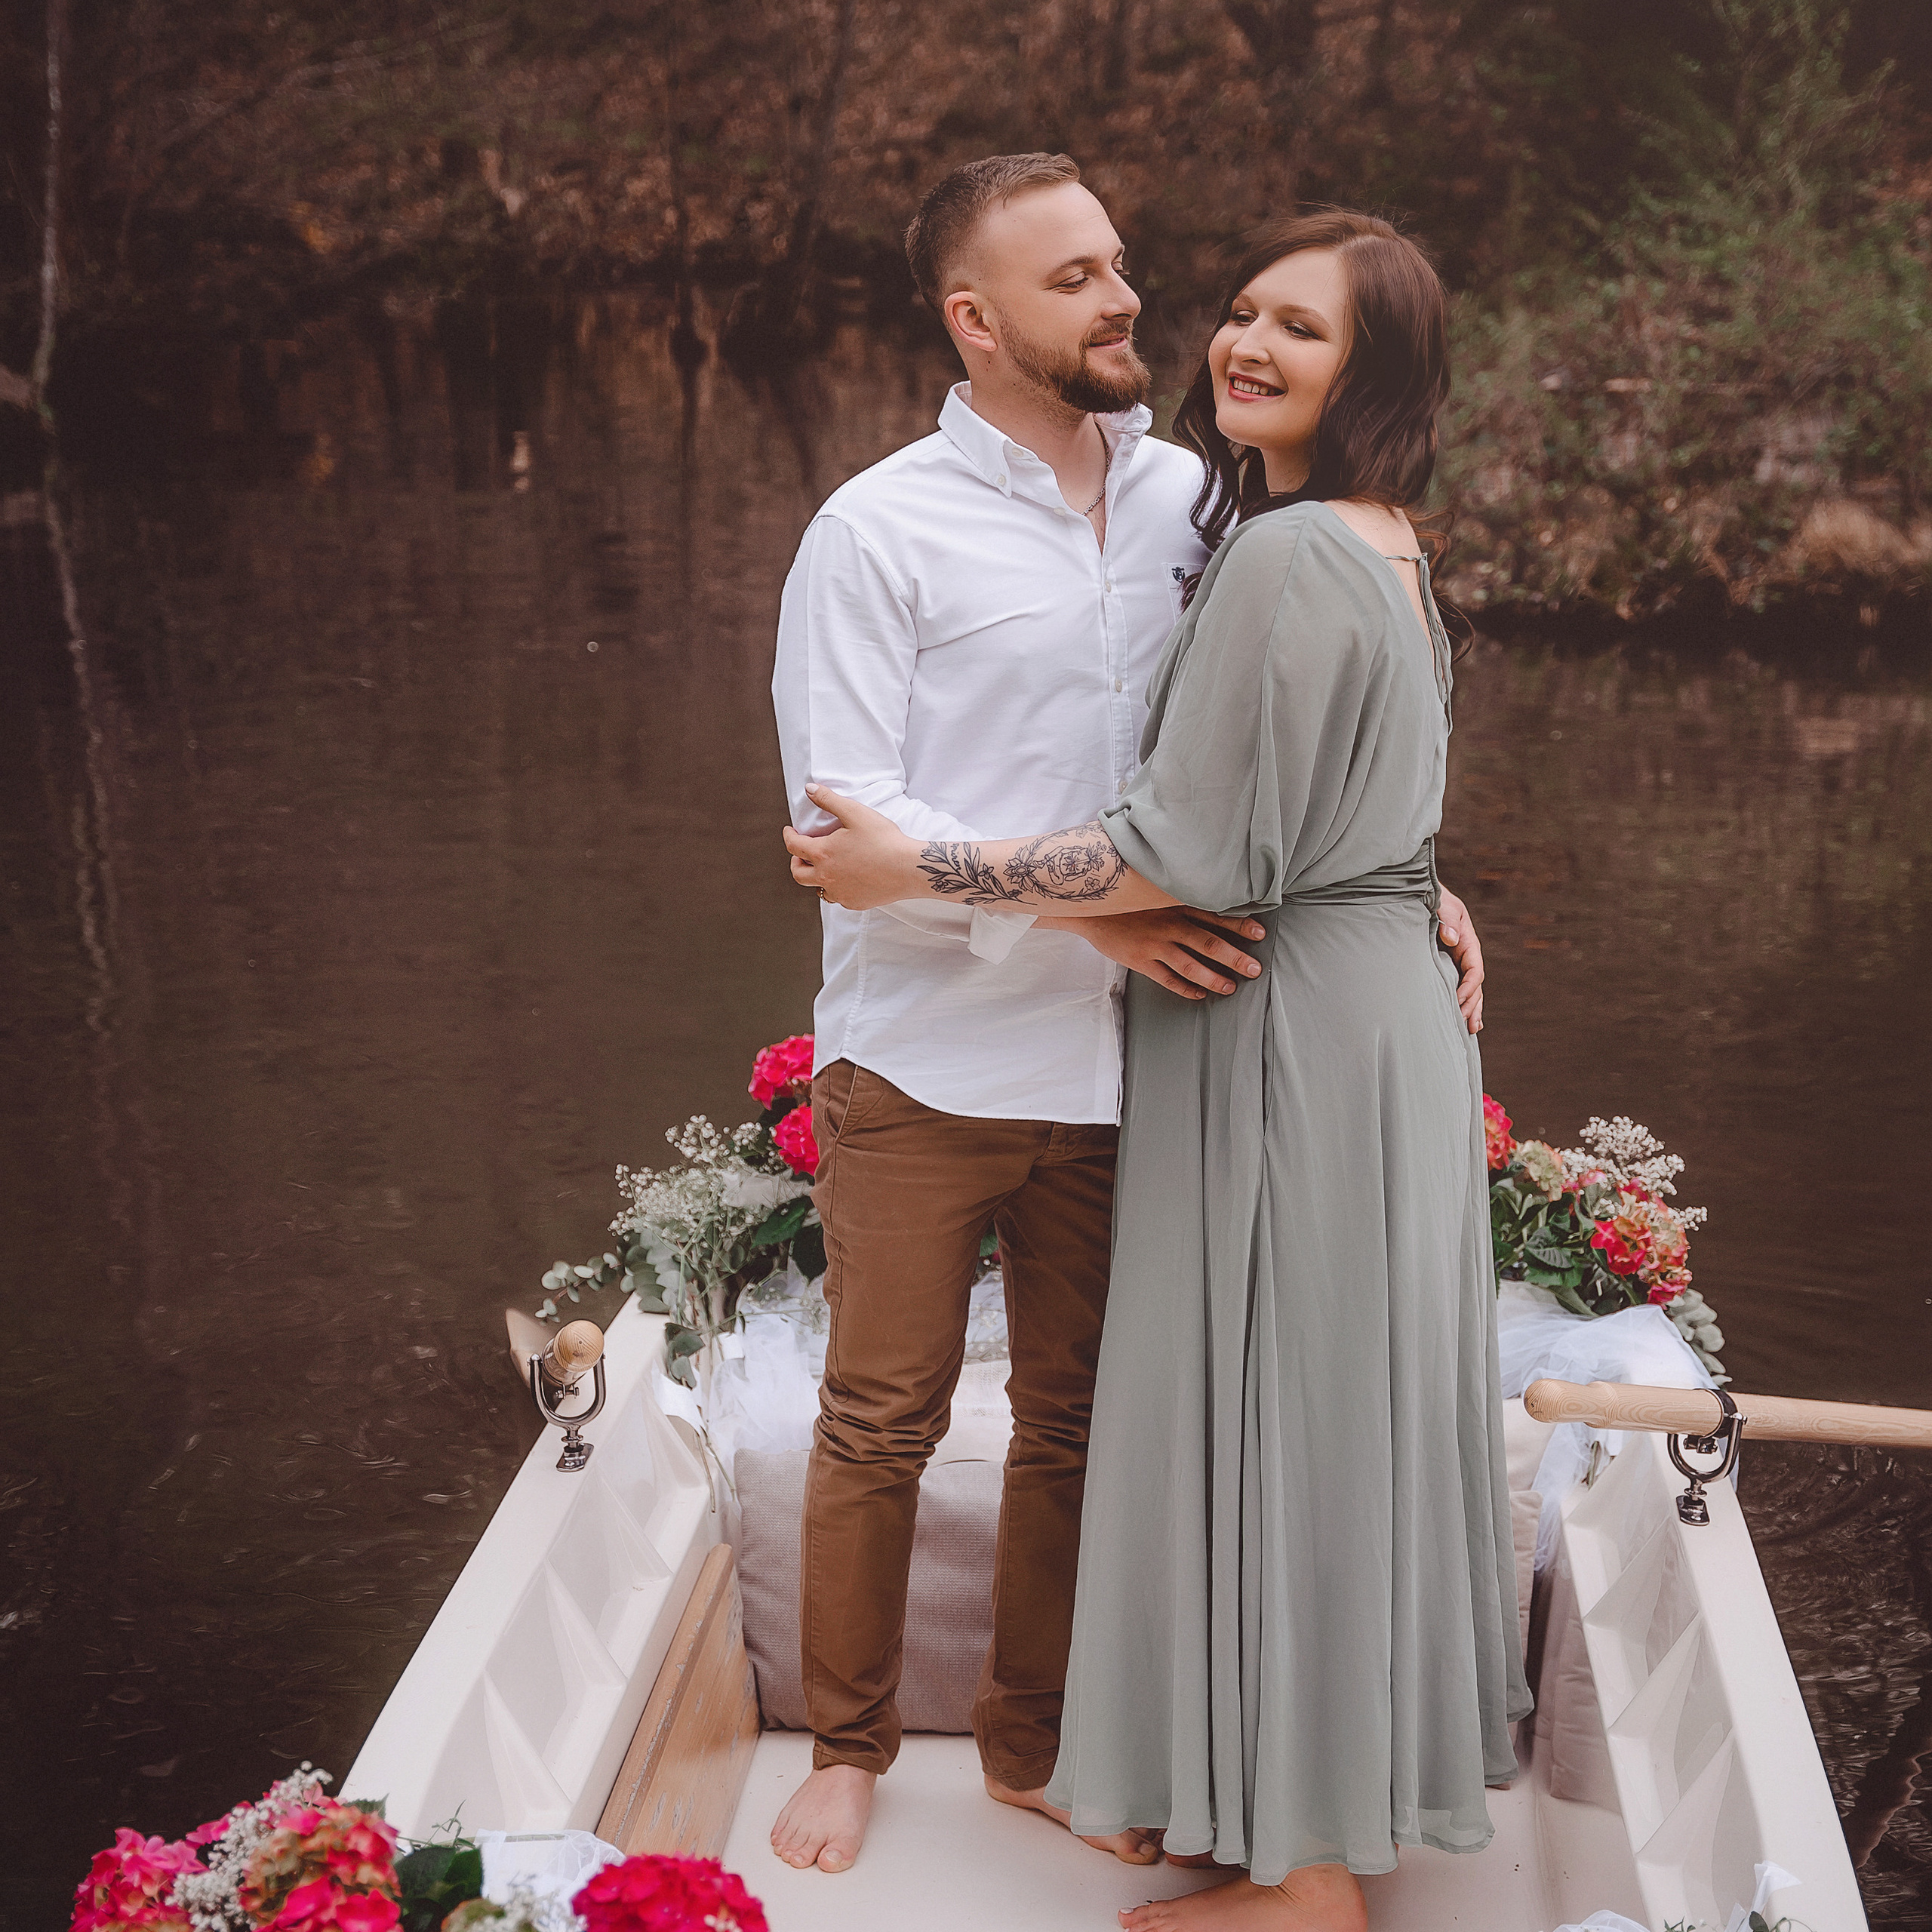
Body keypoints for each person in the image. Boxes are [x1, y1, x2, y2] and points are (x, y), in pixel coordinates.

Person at [783, 209, 1529, 1932]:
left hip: (1264, 1023)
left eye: (1301, 330)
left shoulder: (1233, 528)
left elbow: (1185, 839)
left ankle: (1296, 1867)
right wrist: (1389, 878)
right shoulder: (1331, 531)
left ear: (1376, 377)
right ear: (974, 318)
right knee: (1299, 1414)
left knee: (1278, 1418)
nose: (1225, 336)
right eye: (1244, 310)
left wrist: (928, 868)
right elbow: (1311, 776)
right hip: (1059, 1032)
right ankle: (1248, 1809)